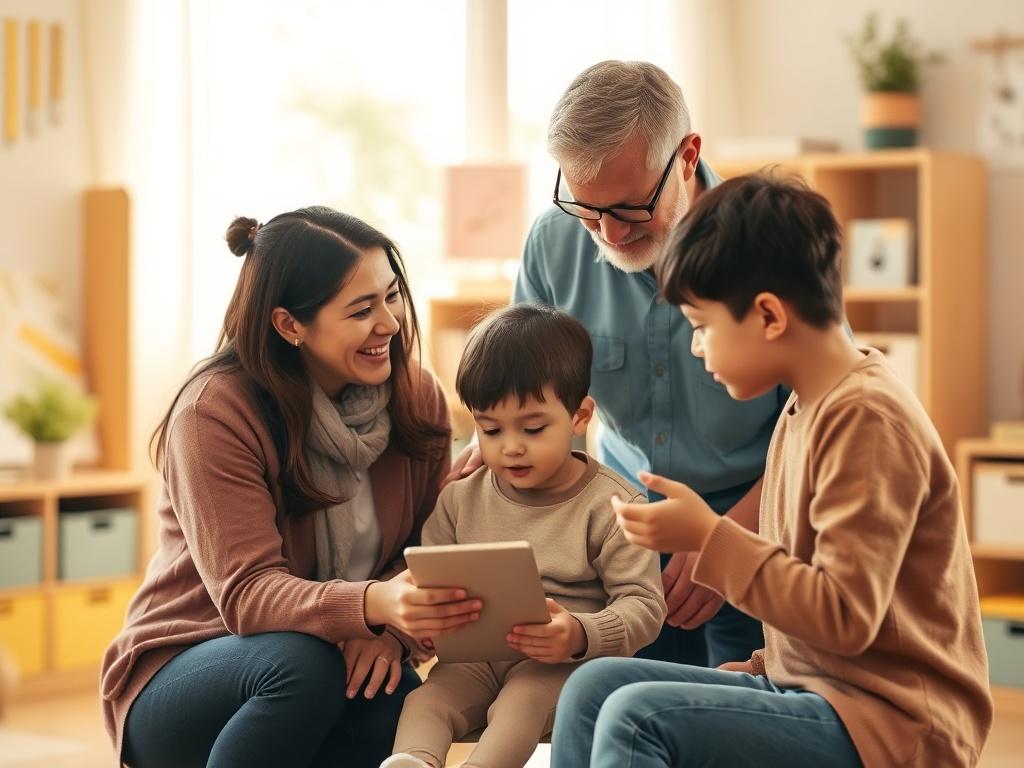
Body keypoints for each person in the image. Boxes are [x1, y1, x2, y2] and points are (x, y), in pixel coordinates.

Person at [552, 173, 994, 767]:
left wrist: (709, 536)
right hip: (825, 694)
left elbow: (845, 617)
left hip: (896, 723)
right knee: (592, 689)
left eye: (702, 326)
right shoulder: (802, 408)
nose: (697, 347)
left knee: (639, 718)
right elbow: (813, 607)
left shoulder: (866, 419)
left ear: (768, 315)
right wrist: (763, 667)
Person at [100, 207, 484, 768]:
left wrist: (389, 636)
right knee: (301, 666)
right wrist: (372, 604)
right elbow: (249, 595)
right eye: (362, 310)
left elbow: (420, 555)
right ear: (289, 325)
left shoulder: (416, 397)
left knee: (395, 698)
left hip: (331, 657)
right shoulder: (215, 413)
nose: (390, 323)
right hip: (187, 668)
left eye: (392, 296)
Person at [447, 60, 783, 668]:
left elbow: (817, 419)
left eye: (628, 208)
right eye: (585, 207)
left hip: (759, 521)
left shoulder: (770, 242)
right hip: (624, 534)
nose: (607, 232)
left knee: (746, 706)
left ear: (687, 156)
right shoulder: (554, 242)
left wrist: (724, 539)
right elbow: (524, 393)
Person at [384, 304, 665, 768]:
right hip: (474, 658)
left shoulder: (616, 505)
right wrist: (423, 630)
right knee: (426, 702)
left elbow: (645, 606)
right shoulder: (460, 498)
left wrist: (579, 634)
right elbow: (425, 583)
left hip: (561, 664)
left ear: (580, 416)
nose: (511, 446)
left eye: (533, 429)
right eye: (490, 429)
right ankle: (413, 761)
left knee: (518, 707)